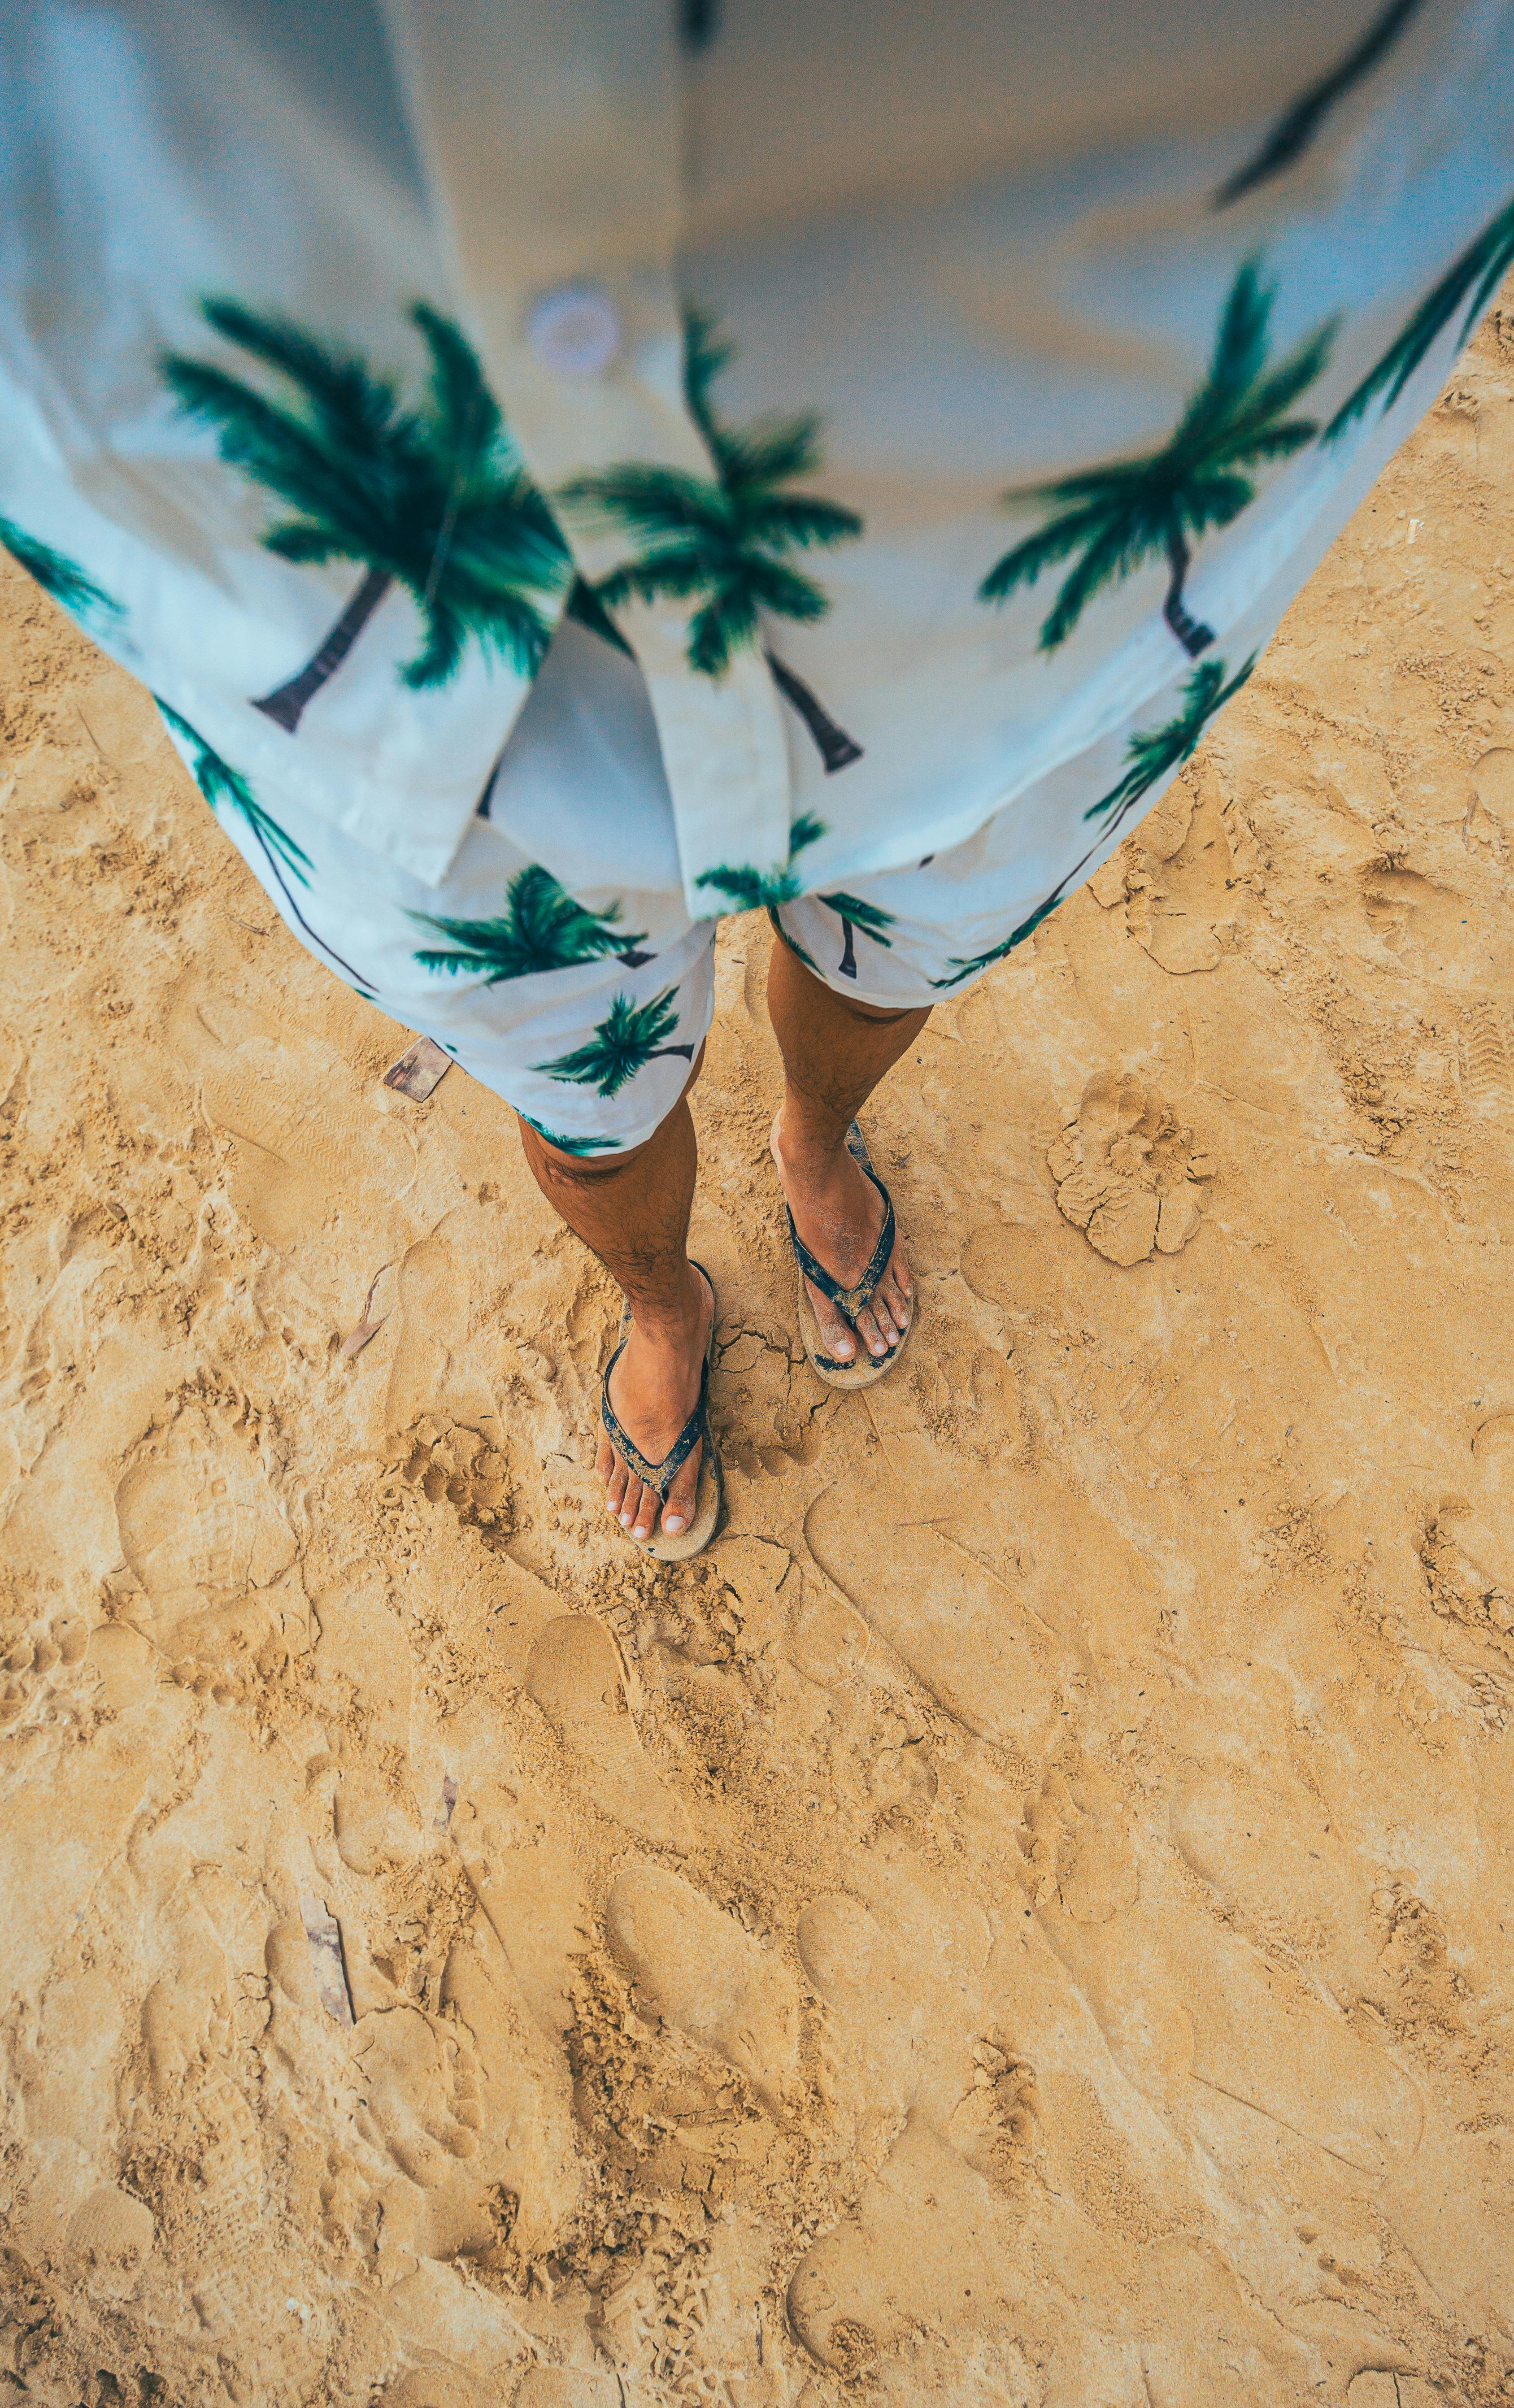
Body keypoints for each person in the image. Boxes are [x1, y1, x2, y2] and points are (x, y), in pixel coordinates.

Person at [4, 0, 1512, 1556]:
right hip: (305, 533)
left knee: (903, 935)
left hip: (1074, 447)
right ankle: (665, 1301)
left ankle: (814, 1138)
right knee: (574, 1078)